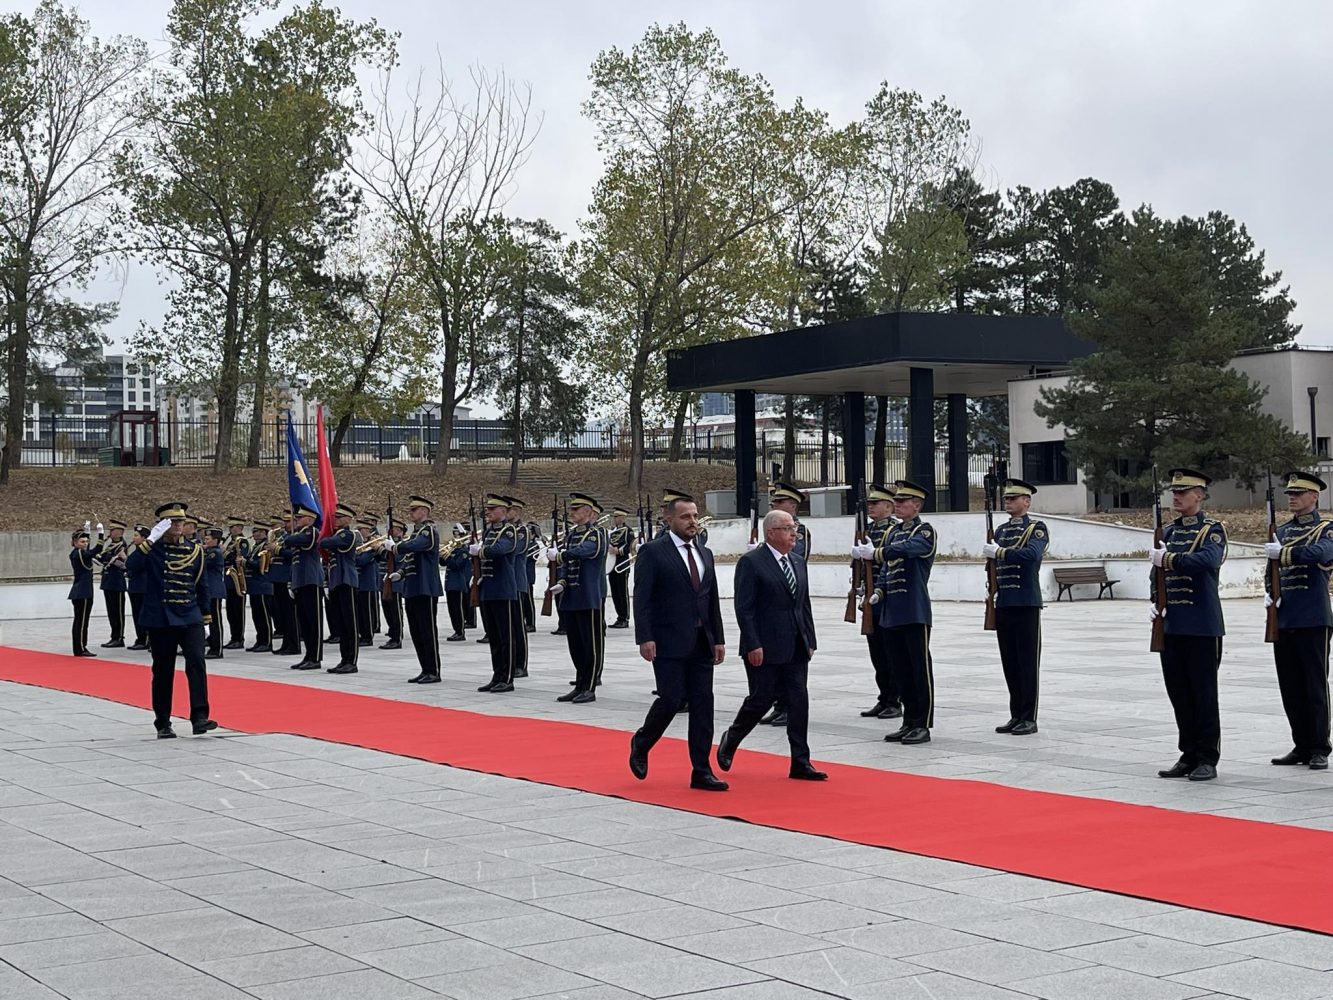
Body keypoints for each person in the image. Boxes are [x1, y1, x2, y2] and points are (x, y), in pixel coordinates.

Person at [628, 490, 728, 791]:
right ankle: (642, 742)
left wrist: (718, 638)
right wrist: (645, 637)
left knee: (703, 704)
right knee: (671, 699)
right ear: (668, 518)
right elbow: (642, 598)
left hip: (701, 640)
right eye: (685, 517)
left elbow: (711, 599)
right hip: (668, 639)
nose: (692, 521)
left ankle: (701, 770)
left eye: (695, 516)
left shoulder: (704, 553)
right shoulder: (653, 552)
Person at [717, 509, 826, 781]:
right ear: (771, 533)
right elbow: (745, 608)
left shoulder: (797, 561)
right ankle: (732, 737)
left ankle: (800, 761)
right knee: (761, 699)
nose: (794, 534)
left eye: (794, 528)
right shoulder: (752, 562)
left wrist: (810, 639)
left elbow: (803, 604)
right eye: (788, 528)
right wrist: (753, 643)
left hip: (796, 644)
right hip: (764, 645)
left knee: (798, 701)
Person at [1150, 468, 1227, 782]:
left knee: (1203, 694)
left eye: (1183, 492)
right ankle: (1188, 753)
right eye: (1174, 491)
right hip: (1172, 625)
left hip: (1202, 624)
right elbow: (1155, 574)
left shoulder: (1212, 530)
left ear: (1200, 495)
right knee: (1179, 693)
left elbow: (1207, 560)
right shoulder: (1168, 532)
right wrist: (1155, 600)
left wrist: (1169, 560)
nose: (1177, 496)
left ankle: (1207, 756)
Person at [127, 501, 216, 739]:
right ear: (163, 525)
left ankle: (200, 717)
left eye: (180, 521)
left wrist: (206, 617)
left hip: (190, 615)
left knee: (197, 663)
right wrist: (150, 540)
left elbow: (202, 585)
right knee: (163, 671)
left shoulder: (195, 550)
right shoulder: (152, 549)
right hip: (161, 618)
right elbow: (131, 566)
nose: (178, 525)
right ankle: (163, 722)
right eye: (173, 522)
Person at [1266, 471, 1333, 771]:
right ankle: (1301, 743)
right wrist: (1269, 594)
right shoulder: (1281, 531)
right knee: (1290, 685)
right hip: (1285, 617)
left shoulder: (1325, 529)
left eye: (1298, 493)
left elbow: (1321, 552)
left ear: (1314, 496)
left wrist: (1284, 554)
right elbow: (1271, 571)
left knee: (1314, 684)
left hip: (1313, 617)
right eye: (1290, 494)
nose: (1292, 498)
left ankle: (1319, 746)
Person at [866, 480, 937, 746]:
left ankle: (922, 723)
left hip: (913, 610)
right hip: (892, 611)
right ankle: (908, 721)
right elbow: (886, 570)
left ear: (916, 506)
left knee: (919, 670)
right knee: (901, 670)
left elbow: (911, 549)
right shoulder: (894, 533)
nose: (897, 505)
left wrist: (878, 552)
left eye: (903, 501)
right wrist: (878, 591)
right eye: (896, 501)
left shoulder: (924, 531)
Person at [982, 478, 1049, 736]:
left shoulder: (1036, 529)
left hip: (1026, 602)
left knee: (1028, 663)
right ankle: (1016, 714)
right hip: (1004, 603)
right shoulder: (1000, 531)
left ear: (1027, 501)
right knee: (1010, 662)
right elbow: (994, 565)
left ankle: (1029, 717)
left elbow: (1031, 555)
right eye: (1006, 498)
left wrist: (999, 553)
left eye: (1013, 498)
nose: (1008, 502)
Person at [748, 482, 810, 728]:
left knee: (793, 674)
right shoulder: (770, 531)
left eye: (780, 502)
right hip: (771, 619)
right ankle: (779, 706)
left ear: (792, 506)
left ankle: (787, 708)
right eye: (773, 502)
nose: (774, 504)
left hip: (789, 603)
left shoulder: (800, 532)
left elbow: (797, 555)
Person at [548, 492, 608, 703]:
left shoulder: (596, 534)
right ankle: (579, 684)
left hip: (588, 596)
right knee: (575, 644)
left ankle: (589, 687)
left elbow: (586, 551)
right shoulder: (572, 535)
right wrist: (561, 582)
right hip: (571, 596)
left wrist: (560, 555)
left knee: (590, 644)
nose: (572, 512)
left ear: (588, 512)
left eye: (576, 509)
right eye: (571, 509)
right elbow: (567, 565)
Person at [851, 484, 901, 721]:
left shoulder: (894, 530)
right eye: (869, 504)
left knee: (891, 653)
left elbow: (890, 560)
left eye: (875, 504)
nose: (870, 507)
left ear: (889, 507)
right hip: (871, 598)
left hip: (888, 597)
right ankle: (884, 697)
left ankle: (894, 700)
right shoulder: (868, 530)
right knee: (878, 653)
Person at [381, 496, 442, 683]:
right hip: (413, 587)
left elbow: (417, 546)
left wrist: (396, 547)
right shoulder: (415, 533)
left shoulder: (428, 531)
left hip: (426, 587)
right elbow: (410, 560)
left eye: (414, 510)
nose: (411, 513)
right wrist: (399, 573)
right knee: (416, 631)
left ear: (424, 511)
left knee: (427, 630)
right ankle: (425, 668)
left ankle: (433, 670)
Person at [472, 494, 519, 692]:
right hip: (488, 589)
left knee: (506, 636)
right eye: (488, 509)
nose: (488, 512)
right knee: (494, 636)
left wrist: (480, 551)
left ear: (503, 511)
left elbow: (500, 549)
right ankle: (497, 674)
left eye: (492, 509)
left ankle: (507, 678)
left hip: (503, 589)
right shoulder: (489, 531)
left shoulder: (509, 531)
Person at [320, 503, 361, 674]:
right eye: (335, 517)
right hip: (337, 581)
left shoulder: (348, 535)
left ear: (348, 519)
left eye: (339, 517)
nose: (335, 520)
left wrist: (325, 537)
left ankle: (352, 661)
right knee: (342, 624)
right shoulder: (338, 534)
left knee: (350, 624)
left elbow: (326, 542)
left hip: (347, 581)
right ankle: (344, 659)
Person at [286, 504, 324, 670]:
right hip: (300, 581)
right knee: (305, 622)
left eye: (300, 517)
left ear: (310, 519)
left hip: (311, 580)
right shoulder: (299, 533)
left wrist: (290, 536)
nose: (297, 520)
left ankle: (315, 657)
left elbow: (291, 541)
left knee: (313, 621)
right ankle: (308, 655)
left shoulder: (312, 532)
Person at [504, 497, 531, 678]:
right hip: (505, 583)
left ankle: (521, 664)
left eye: (511, 510)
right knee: (507, 627)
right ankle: (509, 663)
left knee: (518, 626)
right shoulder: (504, 531)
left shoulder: (522, 532)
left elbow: (515, 550)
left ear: (518, 512)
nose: (508, 513)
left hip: (517, 581)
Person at [68, 522, 103, 657]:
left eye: (86, 541)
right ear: (75, 543)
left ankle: (79, 647)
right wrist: (101, 533)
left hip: (82, 591)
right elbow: (96, 550)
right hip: (83, 592)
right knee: (82, 622)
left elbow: (88, 550)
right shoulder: (79, 554)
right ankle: (80, 648)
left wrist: (87, 531)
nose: (85, 544)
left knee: (81, 621)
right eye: (82, 542)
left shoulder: (79, 552)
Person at [270, 510, 301, 656]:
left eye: (288, 521)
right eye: (285, 521)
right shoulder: (283, 537)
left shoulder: (295, 537)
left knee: (290, 614)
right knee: (282, 613)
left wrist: (277, 549)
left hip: (287, 577)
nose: (285, 524)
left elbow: (293, 554)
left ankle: (293, 644)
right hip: (277, 578)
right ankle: (286, 643)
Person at [95, 519, 129, 648]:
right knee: (111, 611)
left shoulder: (122, 545)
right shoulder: (111, 545)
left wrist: (109, 560)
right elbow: (102, 558)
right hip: (108, 581)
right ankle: (114, 636)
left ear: (120, 532)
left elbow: (122, 563)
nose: (110, 532)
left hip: (117, 582)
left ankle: (119, 637)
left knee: (117, 612)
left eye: (113, 530)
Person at [245, 521, 274, 652]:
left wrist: (246, 561)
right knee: (256, 615)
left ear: (265, 533)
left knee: (264, 615)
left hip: (262, 584)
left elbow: (261, 564)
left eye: (259, 532)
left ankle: (266, 641)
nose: (256, 534)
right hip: (254, 585)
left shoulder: (265, 547)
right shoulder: (255, 546)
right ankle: (260, 640)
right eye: (254, 531)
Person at [222, 516, 250, 649]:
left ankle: (239, 638)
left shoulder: (242, 542)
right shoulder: (230, 541)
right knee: (230, 611)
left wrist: (225, 553)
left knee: (238, 611)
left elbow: (240, 559)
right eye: (230, 527)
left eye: (234, 527)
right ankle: (234, 637)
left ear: (240, 528)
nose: (231, 529)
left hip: (238, 578)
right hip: (229, 578)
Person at [354, 517, 382, 648]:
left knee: (367, 612)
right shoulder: (359, 544)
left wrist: (372, 550)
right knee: (360, 611)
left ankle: (368, 636)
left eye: (362, 529)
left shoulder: (373, 546)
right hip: (358, 581)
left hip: (368, 582)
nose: (360, 532)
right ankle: (362, 634)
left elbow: (362, 561)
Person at [442, 522, 472, 641]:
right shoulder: (454, 550)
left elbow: (457, 565)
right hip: (450, 584)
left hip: (458, 584)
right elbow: (443, 563)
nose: (455, 537)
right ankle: (456, 630)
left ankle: (460, 632)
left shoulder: (463, 551)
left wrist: (448, 556)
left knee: (458, 609)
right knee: (452, 610)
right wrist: (442, 555)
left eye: (458, 535)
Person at [379, 517, 405, 650]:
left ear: (400, 531)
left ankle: (397, 637)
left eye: (393, 529)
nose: (390, 531)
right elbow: (381, 558)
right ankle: (392, 634)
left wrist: (382, 549)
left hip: (396, 581)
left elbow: (398, 558)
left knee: (395, 611)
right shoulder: (388, 544)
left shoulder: (401, 545)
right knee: (387, 610)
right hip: (386, 581)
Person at [607, 506, 634, 628]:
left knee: (622, 592)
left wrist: (619, 550)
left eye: (616, 516)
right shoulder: (612, 531)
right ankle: (619, 617)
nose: (614, 519)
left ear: (623, 518)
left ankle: (625, 618)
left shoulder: (628, 531)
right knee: (615, 592)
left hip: (622, 563)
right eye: (614, 516)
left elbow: (631, 546)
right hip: (612, 564)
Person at [202, 527, 227, 658]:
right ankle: (210, 645)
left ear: (215, 540)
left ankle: (217, 649)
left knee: (215, 621)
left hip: (214, 590)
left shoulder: (215, 553)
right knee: (207, 621)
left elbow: (202, 564)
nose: (205, 541)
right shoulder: (208, 552)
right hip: (207, 590)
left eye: (208, 539)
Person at [126, 524, 150, 650]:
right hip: (134, 586)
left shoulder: (145, 552)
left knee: (142, 614)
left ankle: (144, 639)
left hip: (143, 587)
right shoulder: (137, 551)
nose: (133, 538)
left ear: (144, 538)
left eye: (136, 536)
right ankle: (140, 637)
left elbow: (135, 565)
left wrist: (125, 559)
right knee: (136, 614)